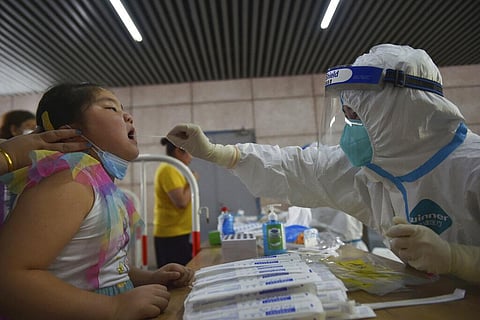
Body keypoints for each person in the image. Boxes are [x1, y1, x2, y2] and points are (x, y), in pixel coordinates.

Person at [167, 44, 480, 284]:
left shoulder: (472, 168)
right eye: (347, 116)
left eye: (358, 116)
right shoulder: (373, 171)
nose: (349, 130)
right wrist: (217, 153)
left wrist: (459, 259)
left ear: (402, 112)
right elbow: (298, 166)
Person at [0, 83, 194, 320]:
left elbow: (98, 266)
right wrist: (113, 308)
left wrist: (149, 277)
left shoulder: (99, 184)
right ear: (70, 133)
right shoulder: (69, 184)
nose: (128, 116)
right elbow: (8, 278)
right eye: (111, 108)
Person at [154, 138, 197, 267]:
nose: (192, 157)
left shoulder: (175, 169)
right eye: (189, 152)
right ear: (179, 151)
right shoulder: (168, 169)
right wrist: (192, 181)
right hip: (171, 236)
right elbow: (182, 202)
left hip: (178, 232)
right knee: (176, 281)